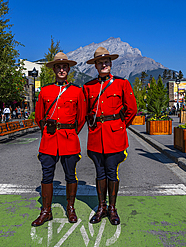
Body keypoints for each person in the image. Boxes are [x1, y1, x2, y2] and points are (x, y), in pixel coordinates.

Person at [82, 47, 137, 226]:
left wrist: (120, 126)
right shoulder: (89, 86)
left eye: (106, 62)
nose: (104, 64)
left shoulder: (122, 84)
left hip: (114, 135)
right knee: (100, 173)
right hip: (96, 135)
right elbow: (84, 112)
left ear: (111, 64)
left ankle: (112, 209)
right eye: (100, 62)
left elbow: (132, 109)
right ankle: (101, 207)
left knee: (112, 172)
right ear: (96, 66)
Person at [32, 52, 86, 227]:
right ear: (54, 69)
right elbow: (39, 116)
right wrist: (49, 130)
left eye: (64, 67)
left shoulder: (77, 92)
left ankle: (70, 208)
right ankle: (46, 211)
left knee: (71, 175)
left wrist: (69, 131)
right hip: (49, 139)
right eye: (58, 66)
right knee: (47, 175)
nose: (61, 69)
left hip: (69, 139)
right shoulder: (46, 91)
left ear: (68, 69)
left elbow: (82, 117)